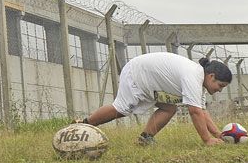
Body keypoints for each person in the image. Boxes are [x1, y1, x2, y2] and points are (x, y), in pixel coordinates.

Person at [78, 53, 232, 146]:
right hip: (137, 73)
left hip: (149, 78)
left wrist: (218, 134)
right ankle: (82, 126)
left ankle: (145, 138)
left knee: (169, 108)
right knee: (122, 109)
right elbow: (195, 112)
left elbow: (202, 111)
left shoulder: (199, 79)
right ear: (211, 76)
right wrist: (207, 140)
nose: (220, 90)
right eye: (220, 85)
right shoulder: (193, 76)